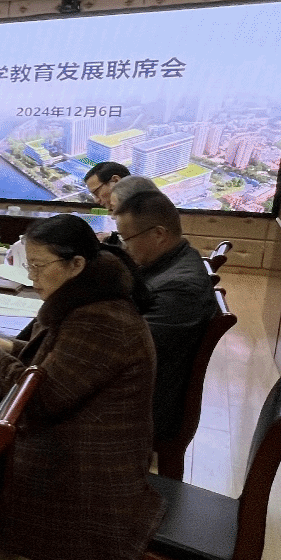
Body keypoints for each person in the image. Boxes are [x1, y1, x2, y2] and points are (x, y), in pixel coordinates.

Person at [0, 214, 163, 560]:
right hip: (80, 446)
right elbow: (60, 364)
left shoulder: (101, 319)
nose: (32, 277)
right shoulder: (91, 295)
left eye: (39, 266)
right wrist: (10, 347)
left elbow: (41, 399)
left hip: (86, 476)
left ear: (76, 264)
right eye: (28, 265)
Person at [114, 189, 218, 445]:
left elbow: (127, 352)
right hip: (144, 389)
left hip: (144, 409)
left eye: (127, 239)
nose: (125, 247)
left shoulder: (181, 290)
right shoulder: (174, 262)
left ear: (159, 234)